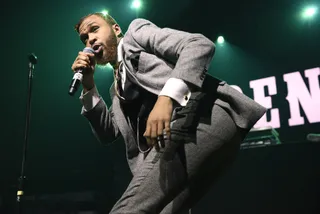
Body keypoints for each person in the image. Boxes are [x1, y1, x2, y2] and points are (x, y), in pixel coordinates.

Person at [71, 12, 266, 214]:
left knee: (128, 209)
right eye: (84, 38)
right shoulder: (116, 89)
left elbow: (199, 45)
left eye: (94, 29)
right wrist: (88, 85)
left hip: (203, 117)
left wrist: (167, 99)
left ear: (116, 29)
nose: (90, 39)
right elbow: (107, 133)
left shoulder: (135, 34)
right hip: (180, 145)